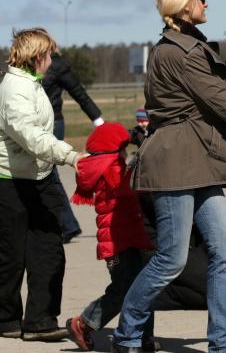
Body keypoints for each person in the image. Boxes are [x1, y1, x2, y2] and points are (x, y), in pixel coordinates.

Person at [111, 0, 226, 353]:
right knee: (171, 260)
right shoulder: (181, 52)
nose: (207, 3)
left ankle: (223, 343)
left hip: (198, 160)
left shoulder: (180, 46)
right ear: (184, 4)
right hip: (175, 162)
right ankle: (127, 335)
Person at [0, 28, 87, 341]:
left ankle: (40, 320)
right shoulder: (15, 90)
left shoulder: (33, 85)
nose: (53, 60)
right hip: (10, 182)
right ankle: (6, 319)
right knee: (11, 254)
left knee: (49, 249)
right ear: (38, 56)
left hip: (39, 176)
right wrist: (71, 156)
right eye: (51, 54)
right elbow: (31, 137)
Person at [65, 123, 156, 352]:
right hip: (117, 244)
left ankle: (142, 336)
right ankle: (84, 322)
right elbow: (131, 187)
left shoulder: (110, 165)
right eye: (123, 149)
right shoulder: (110, 168)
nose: (125, 154)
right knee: (125, 289)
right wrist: (141, 159)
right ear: (112, 150)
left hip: (126, 239)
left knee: (143, 286)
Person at [43, 53, 104, 243]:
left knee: (48, 173)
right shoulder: (26, 64)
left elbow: (79, 94)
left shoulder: (57, 65)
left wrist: (100, 123)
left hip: (53, 124)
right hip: (35, 124)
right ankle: (63, 224)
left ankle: (68, 225)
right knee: (44, 174)